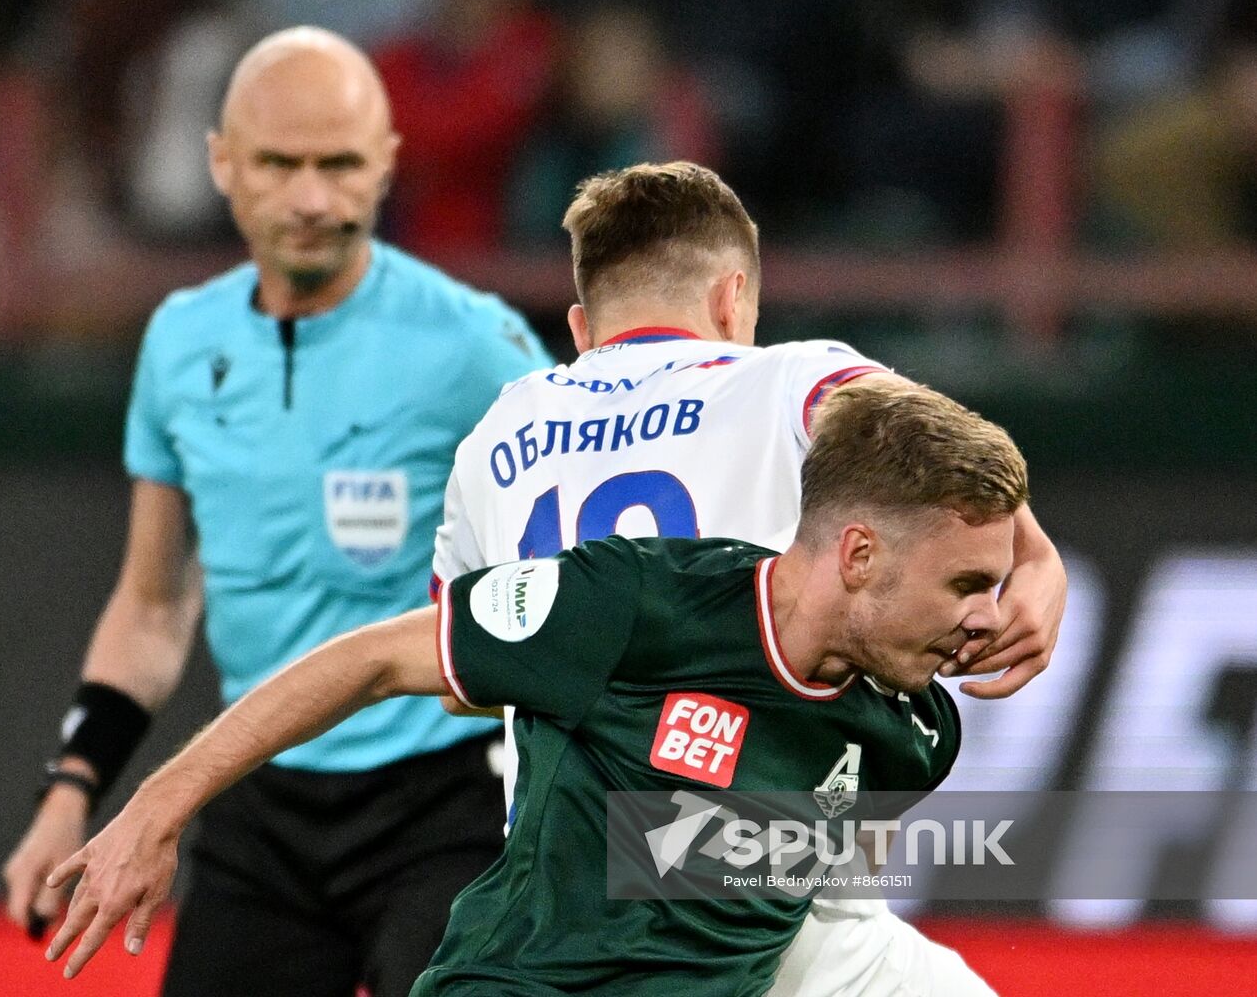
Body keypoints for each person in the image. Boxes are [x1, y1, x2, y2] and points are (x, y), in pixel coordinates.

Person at [40, 377, 1031, 997]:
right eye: (964, 584)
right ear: (857, 553)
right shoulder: (632, 602)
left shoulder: (914, 731)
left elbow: (729, 880)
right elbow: (376, 658)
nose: (985, 617)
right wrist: (157, 809)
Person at [0, 26, 549, 997]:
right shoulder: (179, 343)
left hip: (443, 803)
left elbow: (581, 549)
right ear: (222, 162)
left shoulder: (474, 346)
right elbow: (153, 606)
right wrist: (68, 792)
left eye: (338, 164)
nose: (308, 197)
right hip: (259, 801)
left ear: (386, 163)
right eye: (278, 163)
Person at [432, 161, 1067, 995]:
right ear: (733, 299)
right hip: (751, 869)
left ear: (583, 328)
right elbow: (938, 456)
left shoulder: (498, 432)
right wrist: (1037, 558)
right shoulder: (790, 379)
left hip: (572, 873)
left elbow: (460, 686)